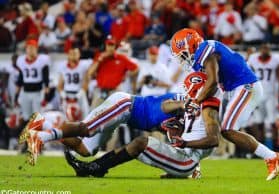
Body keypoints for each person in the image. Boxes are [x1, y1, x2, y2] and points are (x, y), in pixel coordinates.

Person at [170, 28, 279, 181]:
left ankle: (272, 157)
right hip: (234, 89)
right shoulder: (203, 53)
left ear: (190, 46)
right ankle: (193, 166)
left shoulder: (204, 49)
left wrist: (195, 102)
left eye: (183, 54)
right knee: (203, 124)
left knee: (228, 129)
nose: (182, 59)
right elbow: (210, 85)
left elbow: (212, 82)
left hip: (245, 86)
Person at [64, 72, 220, 179]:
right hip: (182, 155)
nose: (188, 95)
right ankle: (95, 167)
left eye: (191, 92)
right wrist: (180, 107)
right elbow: (167, 107)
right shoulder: (189, 106)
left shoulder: (209, 109)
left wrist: (186, 143)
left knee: (141, 143)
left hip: (187, 161)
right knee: (141, 141)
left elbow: (213, 140)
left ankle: (95, 167)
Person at [19, 90, 185, 165]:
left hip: (124, 117)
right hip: (125, 105)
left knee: (85, 150)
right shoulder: (182, 102)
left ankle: (43, 123)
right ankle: (41, 137)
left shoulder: (186, 120)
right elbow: (167, 104)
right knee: (87, 128)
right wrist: (186, 104)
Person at [247, 44, 279, 148]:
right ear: (260, 50)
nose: (265, 51)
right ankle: (260, 147)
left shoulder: (275, 60)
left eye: (267, 49)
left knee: (273, 122)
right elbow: (247, 72)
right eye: (263, 48)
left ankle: (277, 146)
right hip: (258, 94)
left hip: (270, 95)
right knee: (259, 122)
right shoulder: (253, 59)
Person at [15, 39, 50, 130]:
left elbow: (46, 80)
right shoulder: (21, 61)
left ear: (36, 49)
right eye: (29, 48)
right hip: (25, 93)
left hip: (37, 93)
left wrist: (46, 96)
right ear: (26, 49)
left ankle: (37, 140)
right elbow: (20, 79)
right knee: (26, 117)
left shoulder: (42, 60)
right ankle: (27, 140)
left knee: (36, 118)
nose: (31, 50)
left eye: (33, 48)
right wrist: (16, 95)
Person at [57, 47, 91, 119]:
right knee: (66, 117)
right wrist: (63, 94)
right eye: (71, 54)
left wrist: (80, 94)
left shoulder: (84, 65)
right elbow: (60, 84)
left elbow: (86, 81)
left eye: (75, 53)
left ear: (79, 55)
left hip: (80, 94)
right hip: (67, 95)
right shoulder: (63, 66)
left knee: (84, 117)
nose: (73, 56)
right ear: (68, 55)